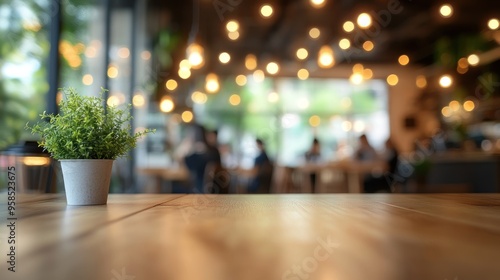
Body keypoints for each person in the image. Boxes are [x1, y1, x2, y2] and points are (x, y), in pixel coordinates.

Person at [183, 124, 226, 194]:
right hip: (216, 190)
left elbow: (188, 169)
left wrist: (185, 151)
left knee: (174, 187)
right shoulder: (214, 151)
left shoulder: (195, 154)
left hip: (198, 191)